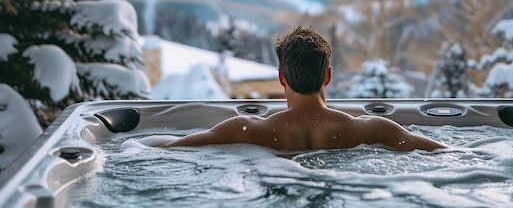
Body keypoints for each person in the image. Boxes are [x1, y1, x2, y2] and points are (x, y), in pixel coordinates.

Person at [158, 26, 446, 152]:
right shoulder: (371, 129)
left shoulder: (245, 130)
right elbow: (443, 152)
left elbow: (170, 148)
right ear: (328, 77)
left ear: (281, 78)